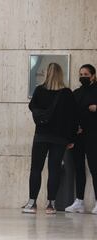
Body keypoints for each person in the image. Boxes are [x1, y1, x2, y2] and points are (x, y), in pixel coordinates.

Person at [22, 63, 77, 214]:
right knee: (54, 170)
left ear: (47, 73)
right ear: (61, 74)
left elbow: (32, 107)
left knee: (36, 168)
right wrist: (71, 139)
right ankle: (50, 204)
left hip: (41, 135)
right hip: (59, 138)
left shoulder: (40, 90)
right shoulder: (67, 93)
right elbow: (73, 118)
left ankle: (31, 203)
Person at [65, 64, 97, 214]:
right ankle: (79, 202)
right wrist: (73, 130)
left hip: (93, 135)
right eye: (81, 74)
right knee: (79, 168)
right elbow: (70, 113)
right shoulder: (76, 93)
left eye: (86, 74)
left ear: (93, 75)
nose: (83, 76)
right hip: (78, 136)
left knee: (94, 168)